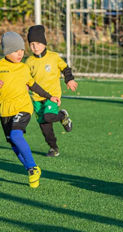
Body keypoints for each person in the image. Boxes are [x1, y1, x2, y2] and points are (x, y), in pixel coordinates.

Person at [0, 31, 61, 188]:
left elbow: (33, 85)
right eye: (15, 51)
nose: (20, 53)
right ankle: (31, 170)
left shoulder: (24, 68)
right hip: (4, 111)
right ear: (6, 51)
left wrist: (49, 96)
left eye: (21, 50)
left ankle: (33, 167)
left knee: (16, 134)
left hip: (23, 107)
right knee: (14, 144)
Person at [26, 25, 78, 157]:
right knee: (45, 127)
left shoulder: (53, 57)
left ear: (44, 43)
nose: (35, 47)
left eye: (38, 43)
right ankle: (53, 148)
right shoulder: (29, 61)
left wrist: (69, 80)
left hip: (52, 96)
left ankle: (62, 116)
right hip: (37, 99)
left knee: (49, 116)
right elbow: (25, 78)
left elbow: (65, 69)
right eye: (32, 44)